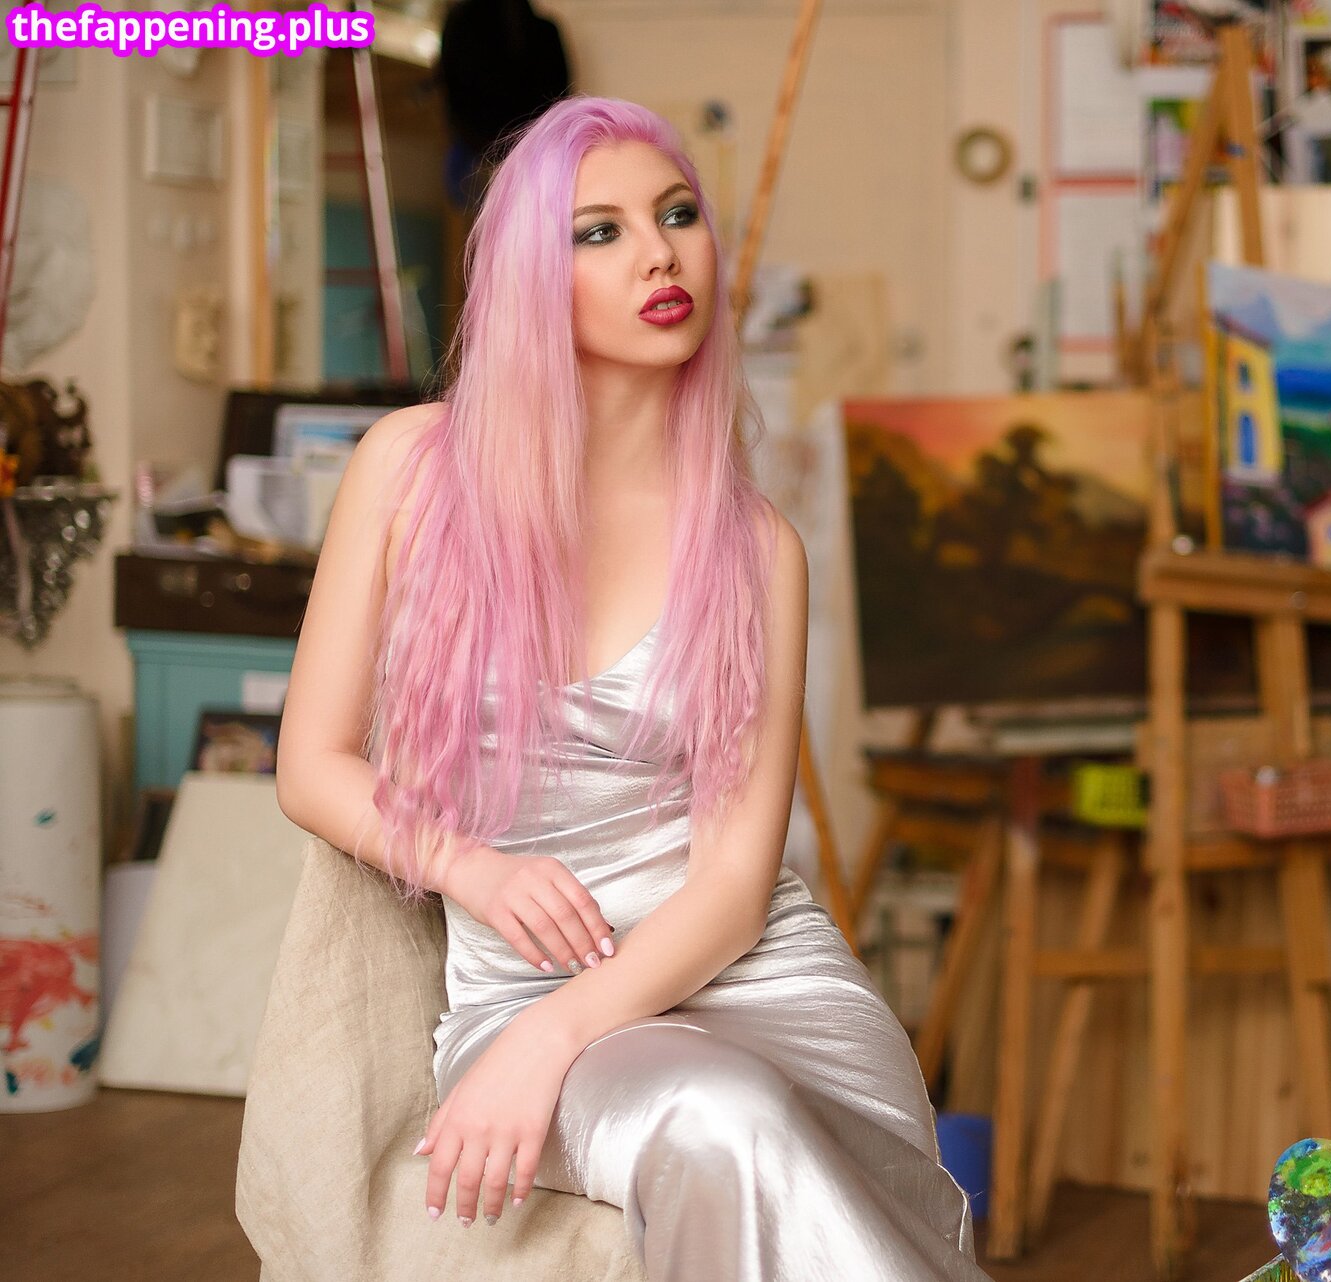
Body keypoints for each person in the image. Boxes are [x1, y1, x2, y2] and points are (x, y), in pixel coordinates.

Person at [274, 95, 986, 1282]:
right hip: (523, 987)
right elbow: (311, 766)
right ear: (526, 278)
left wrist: (551, 1041)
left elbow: (736, 889)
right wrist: (477, 871)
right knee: (721, 1117)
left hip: (762, 988)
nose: (659, 253)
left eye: (677, 215)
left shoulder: (757, 549)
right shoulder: (409, 469)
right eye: (598, 231)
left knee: (756, 1110)